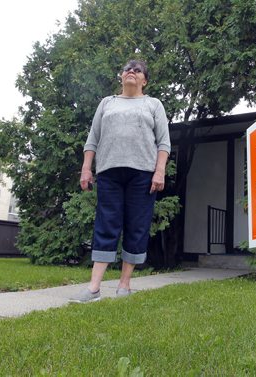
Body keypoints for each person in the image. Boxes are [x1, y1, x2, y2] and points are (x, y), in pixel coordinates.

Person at [70, 59, 170, 302]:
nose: (131, 72)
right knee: (106, 224)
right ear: (121, 76)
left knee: (136, 227)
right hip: (109, 172)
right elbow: (92, 139)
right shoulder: (107, 103)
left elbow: (163, 142)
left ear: (144, 80)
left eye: (137, 70)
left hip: (143, 174)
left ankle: (124, 285)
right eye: (127, 69)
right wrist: (86, 169)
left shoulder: (153, 104)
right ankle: (94, 288)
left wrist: (160, 171)